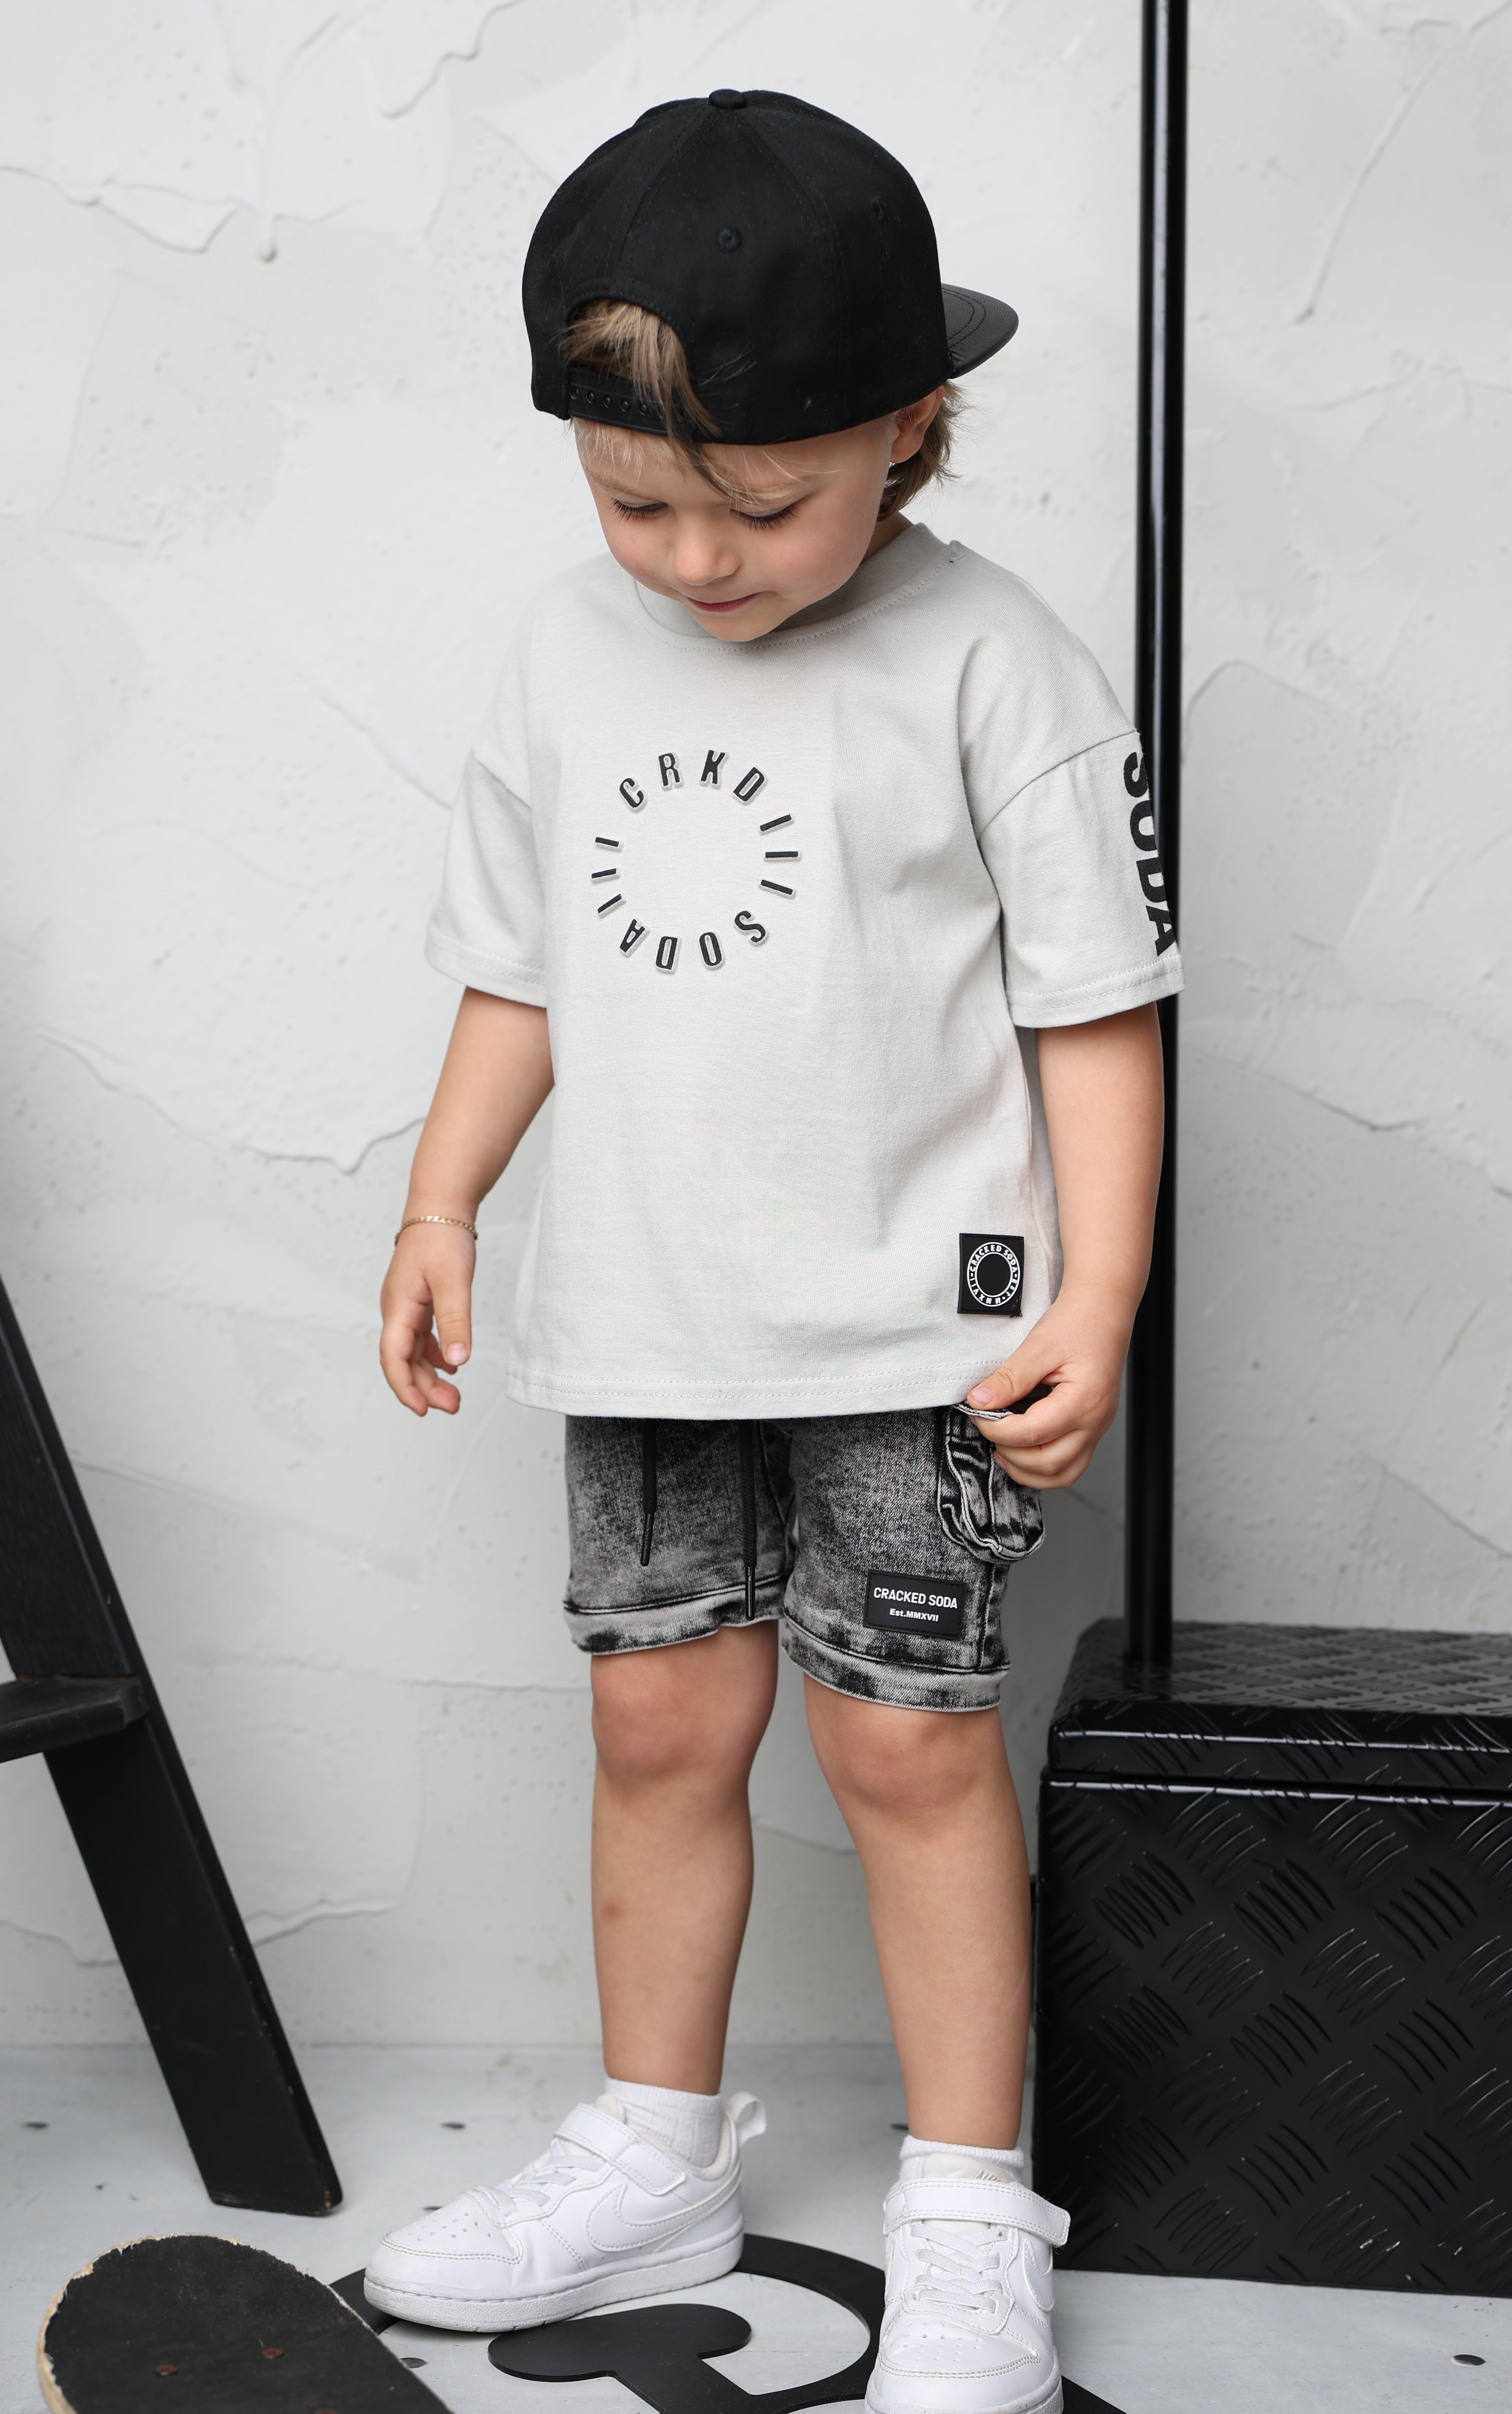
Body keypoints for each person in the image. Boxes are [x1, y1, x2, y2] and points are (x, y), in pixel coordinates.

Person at [364, 88, 1178, 2414]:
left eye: (763, 505)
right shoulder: (561, 654)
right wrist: (442, 1200)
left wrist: (1102, 1289)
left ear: (911, 427)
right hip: (645, 1322)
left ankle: (968, 2205)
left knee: (907, 1747)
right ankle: (653, 2148)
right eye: (638, 504)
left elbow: (1096, 1011)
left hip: (919, 1336)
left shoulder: (993, 661)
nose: (698, 560)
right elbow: (520, 971)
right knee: (656, 1724)